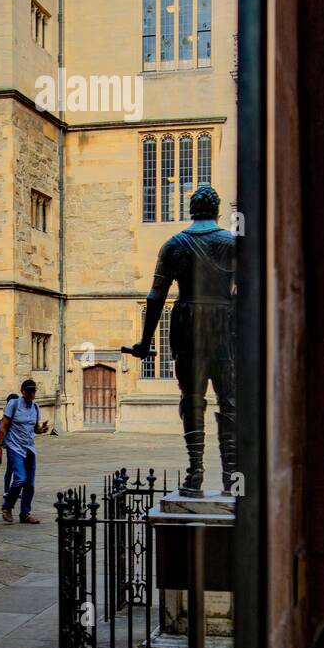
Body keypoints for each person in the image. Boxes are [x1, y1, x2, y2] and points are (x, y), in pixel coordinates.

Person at [128, 184, 236, 495]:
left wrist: (146, 341)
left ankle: (195, 473)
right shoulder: (233, 244)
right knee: (229, 401)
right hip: (223, 327)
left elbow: (155, 296)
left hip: (188, 324)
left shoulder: (174, 245)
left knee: (192, 399)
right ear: (216, 211)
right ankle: (231, 477)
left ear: (191, 210)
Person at [0, 378, 49, 523]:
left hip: (29, 448)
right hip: (14, 447)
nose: (32, 394)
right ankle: (7, 507)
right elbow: (3, 427)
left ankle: (25, 513)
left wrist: (41, 430)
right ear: (22, 392)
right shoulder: (14, 404)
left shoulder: (35, 407)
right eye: (29, 391)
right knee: (20, 478)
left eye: (33, 391)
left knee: (30, 484)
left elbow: (34, 428)